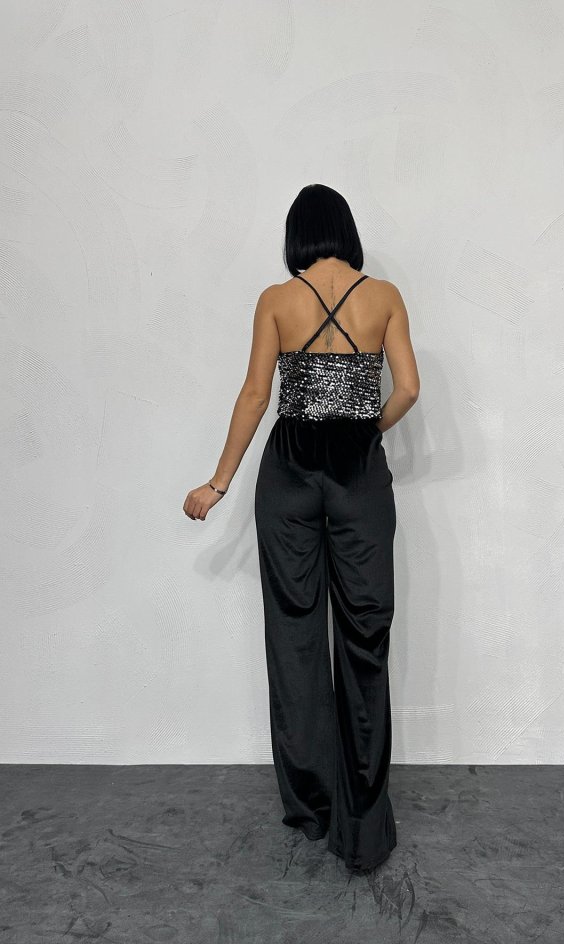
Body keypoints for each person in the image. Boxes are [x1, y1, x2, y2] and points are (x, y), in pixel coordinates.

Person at [183, 184, 420, 872]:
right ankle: (364, 821)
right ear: (345, 232)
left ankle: (313, 806)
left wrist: (217, 483)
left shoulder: (276, 299)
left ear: (298, 236)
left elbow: (257, 394)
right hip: (357, 473)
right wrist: (366, 430)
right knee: (365, 632)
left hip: (289, 472)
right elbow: (408, 388)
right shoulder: (385, 297)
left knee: (294, 630)